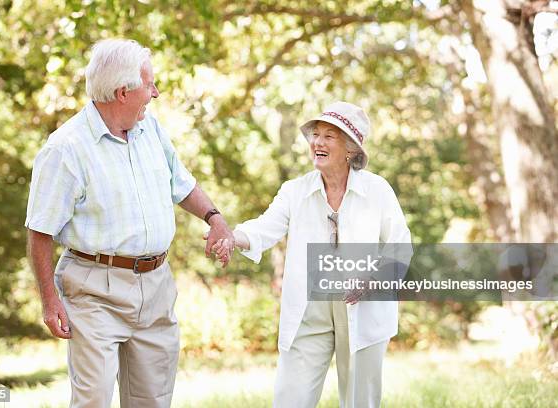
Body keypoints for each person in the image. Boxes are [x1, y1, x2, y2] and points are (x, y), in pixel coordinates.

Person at [25, 38, 234, 408]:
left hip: (155, 286)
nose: (155, 92)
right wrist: (48, 300)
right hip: (94, 289)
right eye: (149, 84)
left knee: (151, 400)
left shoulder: (149, 129)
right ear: (123, 92)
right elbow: (40, 230)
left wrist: (214, 218)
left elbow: (180, 182)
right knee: (93, 401)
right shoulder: (66, 149)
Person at [211, 102, 412, 407]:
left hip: (363, 305)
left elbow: (400, 245)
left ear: (350, 149)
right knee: (291, 397)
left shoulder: (378, 190)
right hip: (309, 307)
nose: (317, 142)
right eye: (316, 134)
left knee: (361, 401)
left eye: (329, 136)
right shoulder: (295, 190)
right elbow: (265, 227)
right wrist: (231, 237)